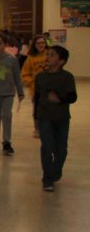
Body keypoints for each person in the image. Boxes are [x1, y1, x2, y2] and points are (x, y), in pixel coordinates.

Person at [34, 45, 77, 191]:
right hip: (44, 117)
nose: (48, 57)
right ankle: (47, 178)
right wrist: (35, 118)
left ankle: (56, 171)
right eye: (48, 54)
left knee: (61, 149)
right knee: (47, 147)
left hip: (62, 118)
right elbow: (37, 97)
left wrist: (60, 99)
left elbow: (73, 97)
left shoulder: (67, 77)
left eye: (52, 55)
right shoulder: (40, 76)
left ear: (61, 61)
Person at [0, 33, 23, 155]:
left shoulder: (12, 59)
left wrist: (20, 92)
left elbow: (17, 77)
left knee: (7, 115)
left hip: (8, 92)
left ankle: (7, 141)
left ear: (5, 44)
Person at [21, 34, 49, 137]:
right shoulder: (30, 58)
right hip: (36, 89)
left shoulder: (50, 55)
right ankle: (37, 129)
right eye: (38, 43)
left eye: (43, 42)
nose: (41, 45)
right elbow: (24, 74)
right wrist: (32, 82)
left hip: (49, 88)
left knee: (49, 109)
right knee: (37, 110)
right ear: (34, 45)